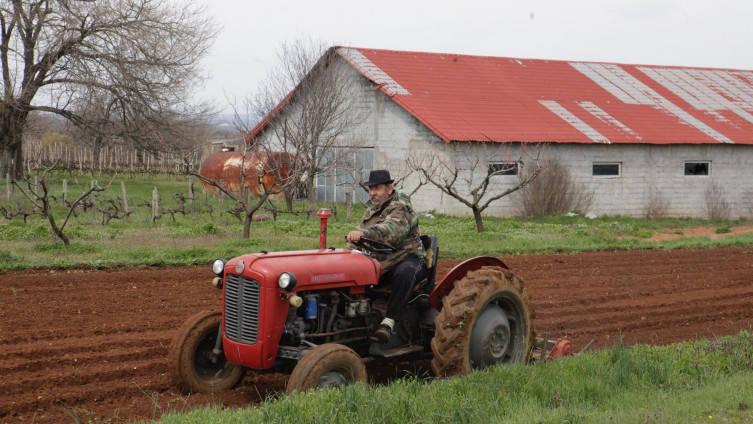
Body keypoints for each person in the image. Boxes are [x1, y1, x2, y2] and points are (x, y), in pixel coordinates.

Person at [346, 170, 426, 343]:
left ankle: (389, 321)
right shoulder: (370, 212)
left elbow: (391, 232)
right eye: (370, 189)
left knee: (405, 273)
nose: (372, 193)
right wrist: (349, 253)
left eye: (377, 188)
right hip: (381, 263)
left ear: (389, 188)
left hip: (407, 258)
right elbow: (357, 241)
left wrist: (366, 233)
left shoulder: (402, 208)